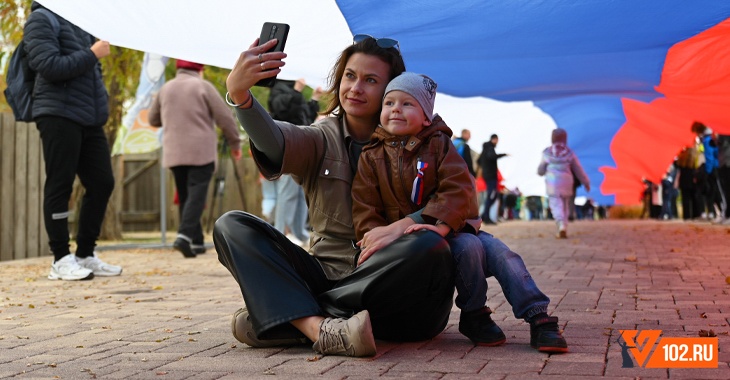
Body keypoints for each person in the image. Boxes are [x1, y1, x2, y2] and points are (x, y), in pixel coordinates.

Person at [215, 35, 455, 358]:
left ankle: (290, 318)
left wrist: (403, 227)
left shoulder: (426, 142)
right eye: (350, 76)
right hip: (327, 275)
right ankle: (321, 329)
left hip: (398, 296)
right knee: (231, 226)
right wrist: (240, 96)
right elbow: (275, 142)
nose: (356, 88)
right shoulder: (320, 138)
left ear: (391, 89)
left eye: (371, 80)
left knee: (430, 247)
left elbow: (457, 202)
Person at [352, 72, 568, 352]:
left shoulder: (439, 145)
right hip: (411, 242)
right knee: (468, 248)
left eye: (407, 104)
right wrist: (374, 238)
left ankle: (539, 316)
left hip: (453, 226)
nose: (396, 109)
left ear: (426, 117)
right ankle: (474, 313)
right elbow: (364, 205)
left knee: (504, 255)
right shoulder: (371, 156)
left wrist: (441, 225)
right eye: (389, 103)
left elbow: (458, 188)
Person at [24, 2, 121, 281]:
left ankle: (85, 255)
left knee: (102, 182)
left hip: (88, 118)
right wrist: (92, 54)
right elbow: (49, 66)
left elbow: (91, 74)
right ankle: (60, 259)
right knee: (60, 184)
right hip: (57, 114)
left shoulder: (80, 22)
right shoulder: (40, 19)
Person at [148, 59, 242, 258]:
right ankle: (183, 236)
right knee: (196, 197)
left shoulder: (166, 88)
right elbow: (224, 117)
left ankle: (196, 242)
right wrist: (235, 144)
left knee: (185, 195)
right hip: (201, 151)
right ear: (200, 70)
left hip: (174, 152)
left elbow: (153, 119)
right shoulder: (202, 86)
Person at [267, 78, 322, 244]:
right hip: (287, 145)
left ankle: (298, 231)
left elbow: (305, 117)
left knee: (301, 191)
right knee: (288, 191)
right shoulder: (278, 88)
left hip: (302, 144)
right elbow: (280, 111)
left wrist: (314, 98)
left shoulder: (293, 89)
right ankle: (283, 231)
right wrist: (296, 91)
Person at [537, 128, 590, 239]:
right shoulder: (569, 152)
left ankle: (560, 224)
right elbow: (578, 169)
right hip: (567, 181)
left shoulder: (547, 152)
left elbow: (541, 169)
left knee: (556, 205)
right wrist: (586, 182)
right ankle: (564, 226)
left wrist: (541, 172)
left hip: (552, 182)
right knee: (565, 205)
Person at [478, 134, 507, 224]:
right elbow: (492, 156)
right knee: (492, 195)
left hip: (487, 175)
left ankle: (484, 215)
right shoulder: (490, 148)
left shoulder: (485, 149)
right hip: (491, 176)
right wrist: (503, 155)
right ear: (494, 139)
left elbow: (479, 161)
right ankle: (485, 216)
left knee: (492, 196)